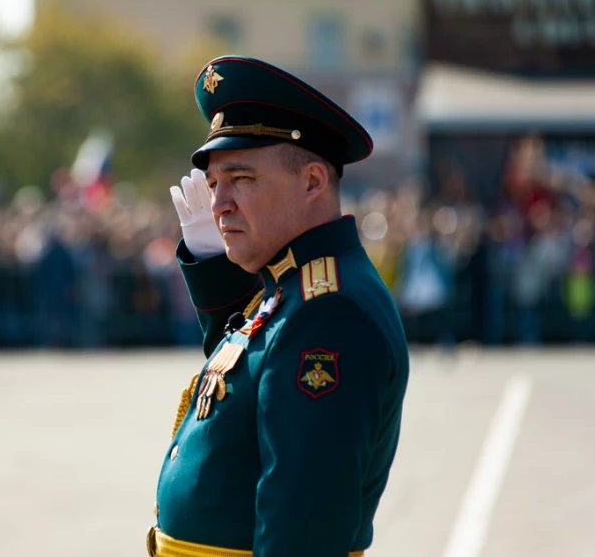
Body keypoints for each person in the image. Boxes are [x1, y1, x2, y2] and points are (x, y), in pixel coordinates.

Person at [147, 56, 410, 557]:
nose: (219, 202)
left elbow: (303, 529)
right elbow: (244, 383)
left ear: (313, 182)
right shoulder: (293, 287)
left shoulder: (328, 312)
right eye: (214, 183)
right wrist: (212, 263)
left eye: (241, 179)